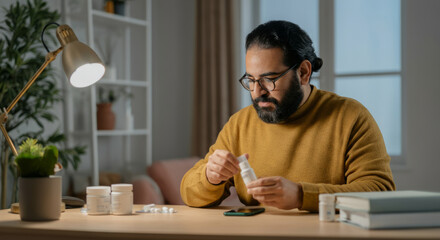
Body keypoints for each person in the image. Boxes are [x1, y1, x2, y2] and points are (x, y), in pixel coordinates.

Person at [180, 20, 395, 212]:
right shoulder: (240, 124)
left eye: (269, 79)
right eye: (251, 80)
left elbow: (380, 191)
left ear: (303, 72)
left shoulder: (351, 117)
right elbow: (189, 192)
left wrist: (302, 196)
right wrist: (211, 177)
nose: (257, 92)